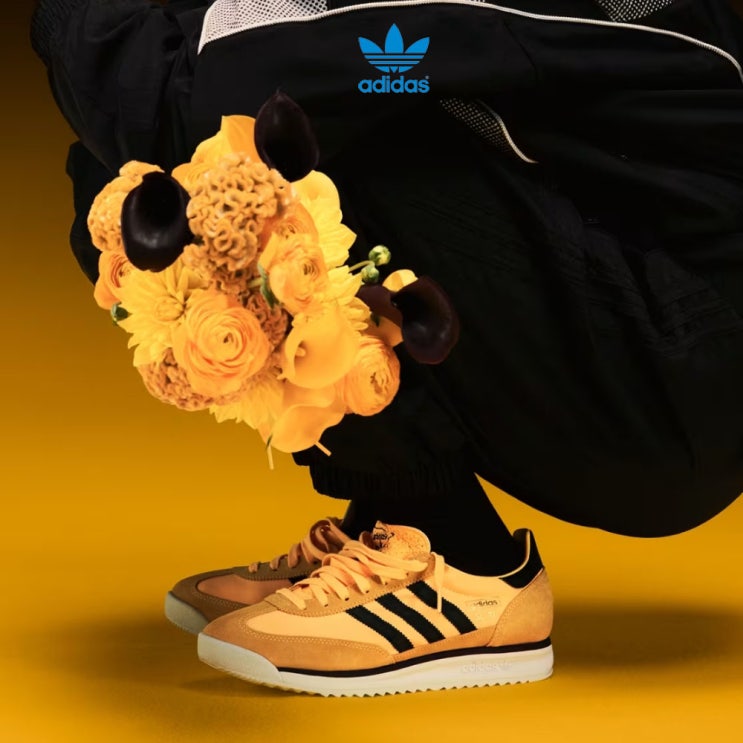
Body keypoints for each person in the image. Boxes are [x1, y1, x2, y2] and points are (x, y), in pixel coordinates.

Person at [31, 0, 743, 695]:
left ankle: (462, 557)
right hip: (627, 303)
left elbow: (167, 92)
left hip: (681, 364)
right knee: (137, 182)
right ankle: (390, 517)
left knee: (264, 138)